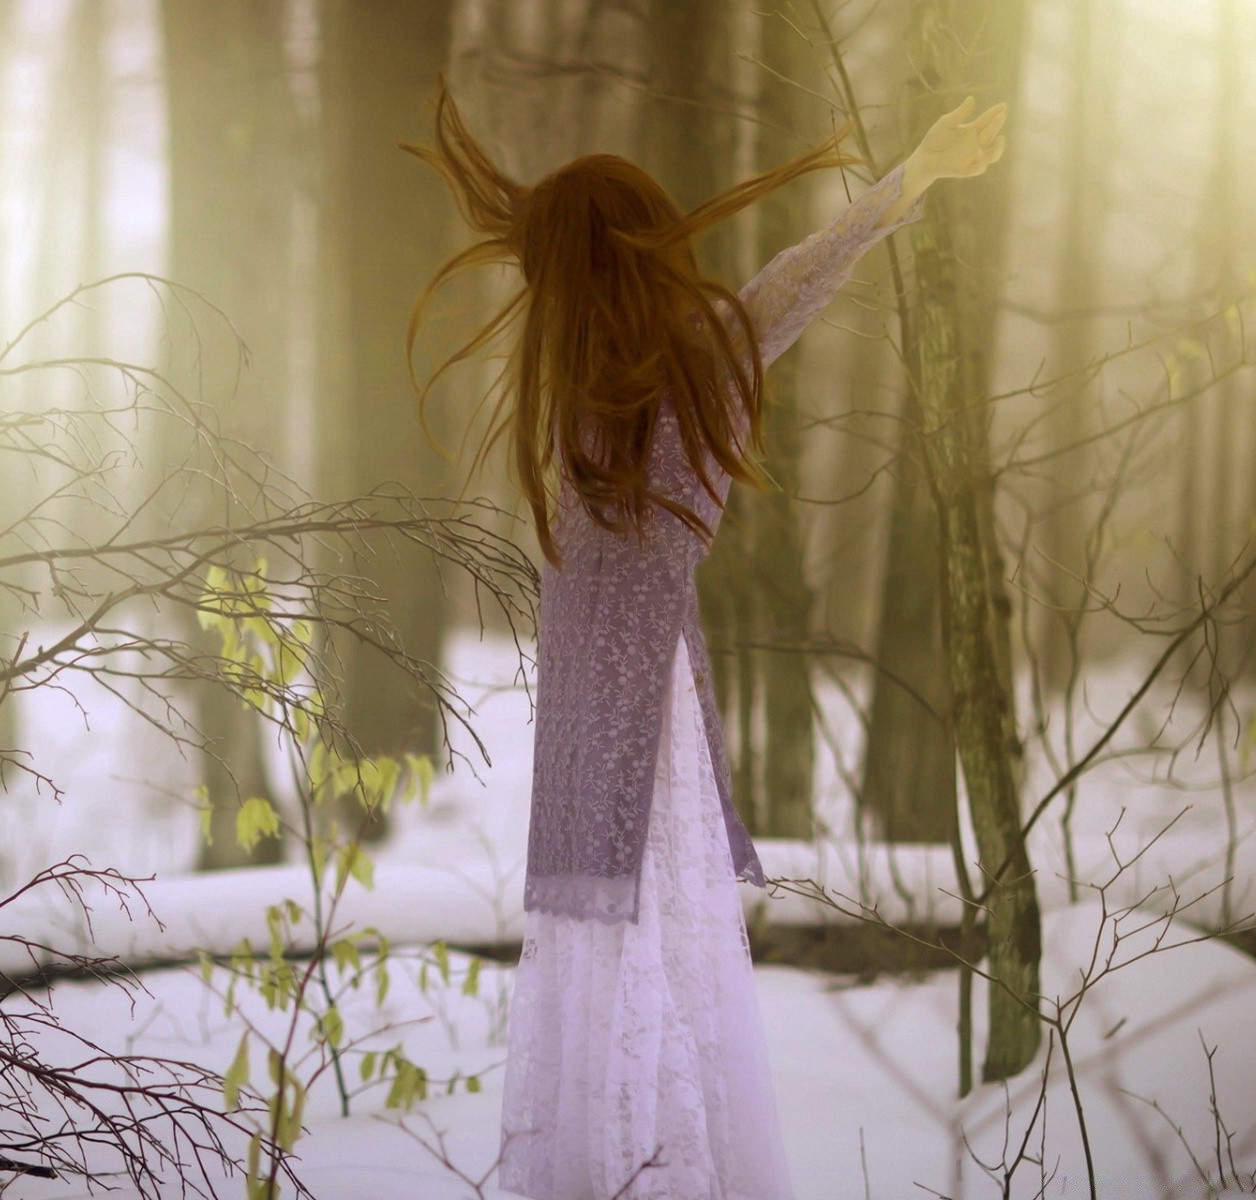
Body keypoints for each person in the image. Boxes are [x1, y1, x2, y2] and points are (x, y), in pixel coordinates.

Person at [402, 78, 1007, 1200]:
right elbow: (778, 294)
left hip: (635, 717)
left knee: (637, 948)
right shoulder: (607, 381)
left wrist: (908, 180)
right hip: (614, 722)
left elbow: (783, 288)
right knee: (611, 950)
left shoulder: (646, 373)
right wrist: (905, 183)